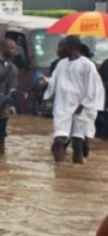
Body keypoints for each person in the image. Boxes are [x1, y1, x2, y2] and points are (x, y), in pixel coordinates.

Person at [43, 35, 105, 164]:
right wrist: (45, 84)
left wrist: (81, 106)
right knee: (59, 139)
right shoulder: (61, 64)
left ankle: (76, 169)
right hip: (62, 107)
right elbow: (53, 82)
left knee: (77, 145)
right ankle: (59, 170)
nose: (59, 49)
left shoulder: (87, 65)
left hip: (81, 109)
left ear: (70, 47)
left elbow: (93, 89)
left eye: (62, 46)